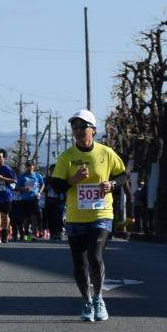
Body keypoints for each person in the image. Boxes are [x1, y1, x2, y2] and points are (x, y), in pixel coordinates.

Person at [49, 110, 128, 321]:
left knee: (95, 255)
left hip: (101, 214)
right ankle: (86, 301)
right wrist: (73, 179)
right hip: (76, 217)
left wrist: (111, 184)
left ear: (93, 130)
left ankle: (99, 298)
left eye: (82, 127)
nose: (77, 131)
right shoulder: (67, 157)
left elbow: (123, 174)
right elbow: (56, 185)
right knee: (79, 263)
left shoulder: (105, 153)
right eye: (74, 127)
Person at [14, 161, 43, 240]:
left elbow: (42, 184)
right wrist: (23, 189)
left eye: (31, 165)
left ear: (34, 166)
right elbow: (16, 188)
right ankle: (26, 235)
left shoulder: (38, 176)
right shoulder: (23, 176)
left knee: (34, 217)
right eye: (28, 166)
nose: (29, 167)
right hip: (25, 199)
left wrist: (40, 192)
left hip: (34, 198)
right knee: (26, 218)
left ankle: (34, 235)